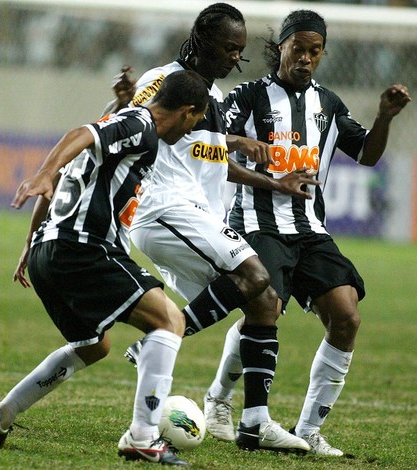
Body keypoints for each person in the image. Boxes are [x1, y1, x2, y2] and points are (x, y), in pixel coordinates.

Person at [201, 9, 412, 456]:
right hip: (256, 222)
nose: (306, 58)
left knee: (347, 316)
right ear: (282, 47)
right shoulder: (248, 96)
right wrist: (264, 174)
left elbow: (367, 154)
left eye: (315, 51)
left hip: (309, 228)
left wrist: (385, 117)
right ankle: (219, 399)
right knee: (266, 307)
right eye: (299, 48)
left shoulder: (329, 105)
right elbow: (213, 150)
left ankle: (309, 428)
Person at [0, 70, 209, 466]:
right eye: (195, 123)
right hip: (83, 249)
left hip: (49, 251)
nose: (189, 133)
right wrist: (44, 170)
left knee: (93, 346)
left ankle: (1, 416)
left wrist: (31, 243)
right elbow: (79, 134)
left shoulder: (124, 126)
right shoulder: (140, 125)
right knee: (170, 320)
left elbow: (75, 164)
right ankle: (143, 436)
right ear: (188, 112)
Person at [122, 3, 317, 454]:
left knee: (263, 301)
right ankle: (162, 336)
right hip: (165, 209)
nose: (235, 58)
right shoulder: (166, 80)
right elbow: (136, 124)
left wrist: (274, 181)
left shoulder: (210, 97)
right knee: (255, 276)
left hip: (196, 216)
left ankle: (256, 422)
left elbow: (212, 159)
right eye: (229, 48)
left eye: (240, 51)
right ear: (202, 40)